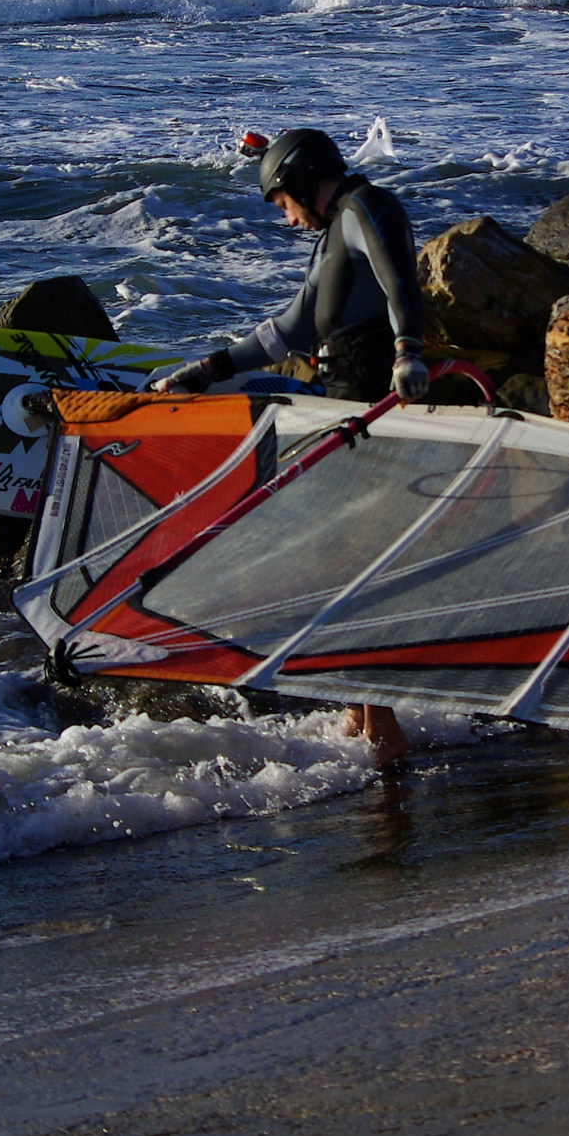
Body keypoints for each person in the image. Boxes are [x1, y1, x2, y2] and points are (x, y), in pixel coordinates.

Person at [151, 125, 427, 760]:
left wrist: (409, 350)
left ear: (301, 180)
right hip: (342, 406)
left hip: (372, 408)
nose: (286, 217)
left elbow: (398, 282)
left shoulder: (365, 209)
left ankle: (383, 728)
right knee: (341, 560)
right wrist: (206, 371)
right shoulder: (333, 235)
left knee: (355, 564)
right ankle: (362, 715)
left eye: (281, 201)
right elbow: (285, 331)